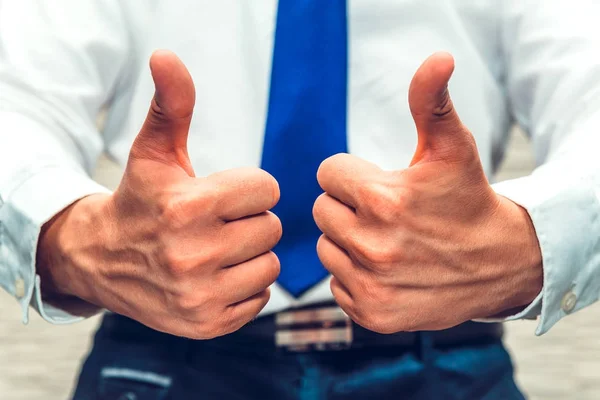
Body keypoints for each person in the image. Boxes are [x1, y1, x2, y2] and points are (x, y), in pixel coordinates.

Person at [0, 1, 598, 398]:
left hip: (445, 358)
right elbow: (15, 101)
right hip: (164, 356)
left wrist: (529, 241)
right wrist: (74, 238)